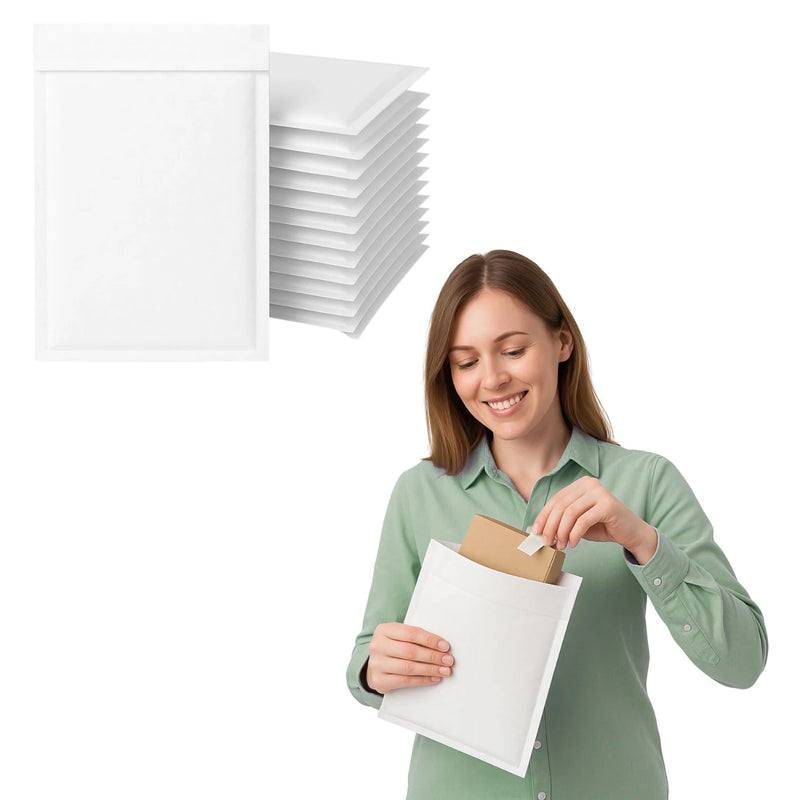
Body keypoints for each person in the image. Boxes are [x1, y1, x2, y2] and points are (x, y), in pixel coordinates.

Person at [346, 249, 767, 800]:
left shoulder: (646, 482)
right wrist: (376, 672)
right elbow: (365, 661)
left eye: (513, 350)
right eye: (466, 361)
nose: (493, 379)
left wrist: (640, 542)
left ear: (562, 342)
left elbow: (742, 663)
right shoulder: (419, 493)